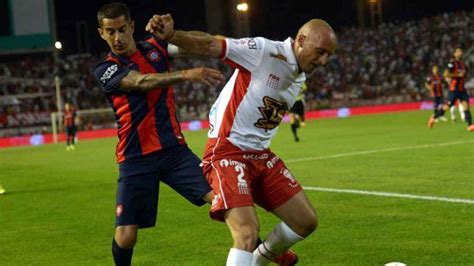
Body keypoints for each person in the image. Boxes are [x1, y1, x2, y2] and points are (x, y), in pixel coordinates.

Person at [147, 14, 337, 265]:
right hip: (228, 152)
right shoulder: (264, 51)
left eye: (328, 56)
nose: (323, 61)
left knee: (305, 221)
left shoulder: (298, 74)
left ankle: (258, 260)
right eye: (320, 52)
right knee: (247, 232)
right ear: (301, 40)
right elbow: (212, 44)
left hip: (261, 155)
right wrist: (172, 35)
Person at [92, 3, 226, 265]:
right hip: (135, 158)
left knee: (222, 199)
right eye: (110, 32)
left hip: (174, 152)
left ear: (132, 27)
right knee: (126, 236)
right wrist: (187, 74)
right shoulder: (105, 69)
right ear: (101, 34)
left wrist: (173, 33)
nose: (117, 38)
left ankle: (266, 252)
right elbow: (140, 82)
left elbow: (196, 45)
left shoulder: (156, 49)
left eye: (122, 30)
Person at [443, 48, 474, 131]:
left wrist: (464, 76)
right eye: (458, 52)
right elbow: (446, 74)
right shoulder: (452, 63)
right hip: (454, 89)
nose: (460, 53)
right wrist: (457, 75)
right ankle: (436, 116)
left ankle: (470, 125)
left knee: (466, 106)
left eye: (461, 51)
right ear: (454, 54)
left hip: (461, 89)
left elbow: (464, 75)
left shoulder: (463, 64)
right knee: (448, 106)